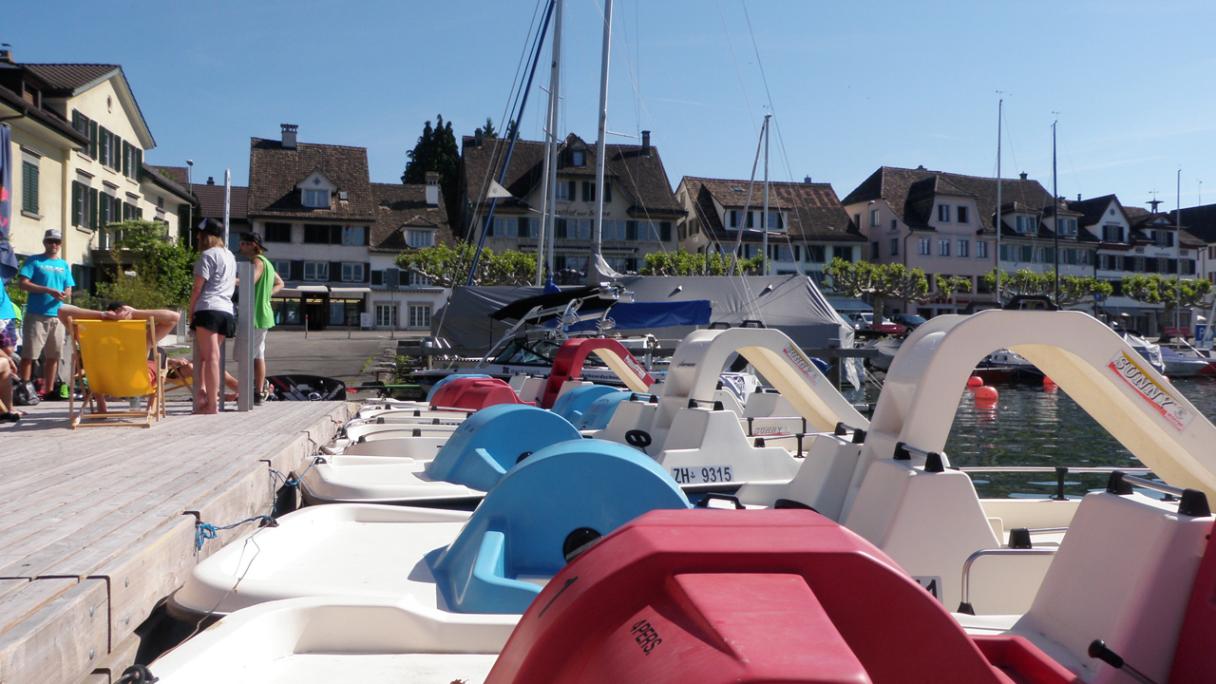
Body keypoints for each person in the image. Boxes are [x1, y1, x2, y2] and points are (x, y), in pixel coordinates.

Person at [17, 229, 74, 399]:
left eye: (57, 242)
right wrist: (48, 290)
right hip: (36, 314)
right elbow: (23, 283)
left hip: (57, 315)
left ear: (60, 244)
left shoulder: (64, 264)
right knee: (29, 355)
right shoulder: (34, 261)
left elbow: (69, 287)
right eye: (50, 241)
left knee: (54, 355)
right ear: (44, 242)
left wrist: (65, 293)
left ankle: (49, 391)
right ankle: (24, 389)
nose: (54, 244)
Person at [188, 219, 236, 414]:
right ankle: (204, 393)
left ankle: (211, 404)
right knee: (208, 357)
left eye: (199, 234)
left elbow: (198, 287)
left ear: (206, 235)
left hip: (208, 309)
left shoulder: (207, 256)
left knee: (210, 358)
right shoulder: (230, 256)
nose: (197, 237)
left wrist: (191, 311)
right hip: (226, 311)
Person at [237, 231, 283, 404]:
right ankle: (258, 391)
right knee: (258, 354)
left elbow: (250, 280)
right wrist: (266, 295)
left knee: (249, 353)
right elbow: (280, 283)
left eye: (243, 243)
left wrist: (229, 281)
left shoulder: (257, 261)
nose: (240, 246)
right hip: (263, 313)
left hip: (255, 314)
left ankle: (249, 392)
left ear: (252, 245)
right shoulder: (268, 263)